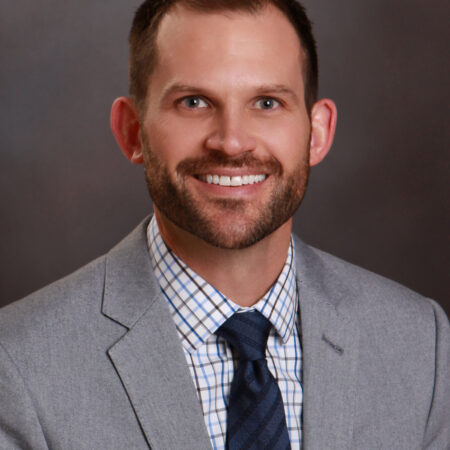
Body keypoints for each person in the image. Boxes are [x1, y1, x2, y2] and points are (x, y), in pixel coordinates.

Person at [0, 0, 448, 448]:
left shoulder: (419, 344)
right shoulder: (19, 364)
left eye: (267, 103)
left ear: (318, 132)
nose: (232, 142)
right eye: (193, 102)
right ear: (132, 131)